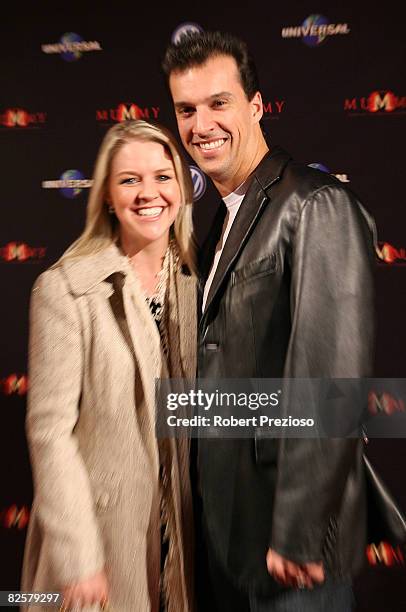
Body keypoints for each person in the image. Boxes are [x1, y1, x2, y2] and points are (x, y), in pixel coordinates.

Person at [162, 31, 375, 611]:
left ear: (256, 106)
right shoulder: (218, 225)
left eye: (218, 103)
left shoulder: (313, 204)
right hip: (228, 539)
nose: (201, 124)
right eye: (186, 109)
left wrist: (301, 531)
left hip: (289, 552)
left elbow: (332, 377)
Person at [21, 119, 197, 612]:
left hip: (183, 547)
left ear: (181, 188)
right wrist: (78, 558)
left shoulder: (196, 284)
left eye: (163, 177)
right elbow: (49, 433)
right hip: (99, 545)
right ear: (105, 196)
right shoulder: (65, 288)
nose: (149, 193)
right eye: (129, 180)